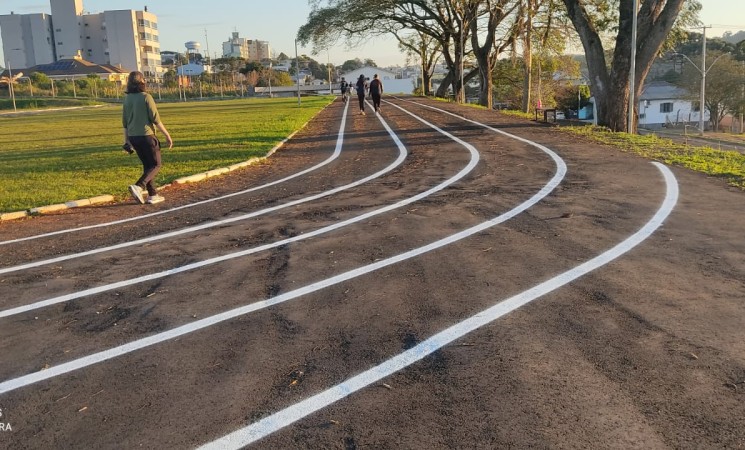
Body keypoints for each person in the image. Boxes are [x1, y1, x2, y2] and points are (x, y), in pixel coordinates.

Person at [122, 71, 173, 205]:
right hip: (147, 136)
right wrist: (167, 135)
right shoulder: (146, 97)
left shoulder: (127, 99)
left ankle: (152, 195)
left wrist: (126, 141)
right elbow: (155, 118)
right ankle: (139, 186)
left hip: (134, 137)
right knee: (156, 164)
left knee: (147, 165)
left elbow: (125, 122)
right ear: (142, 82)